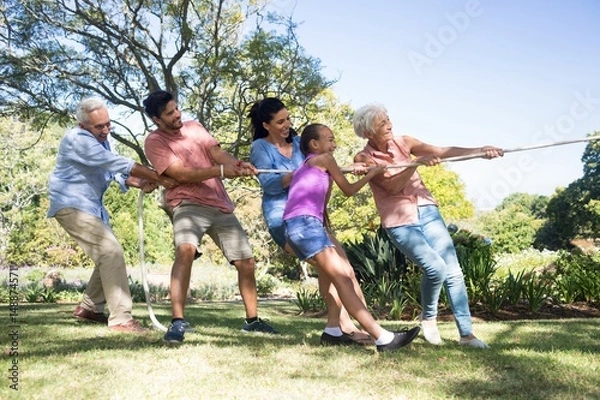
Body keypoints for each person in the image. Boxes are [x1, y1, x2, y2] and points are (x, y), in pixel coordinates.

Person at [352, 103, 504, 348]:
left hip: (427, 209)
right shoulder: (364, 158)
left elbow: (441, 151)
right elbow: (391, 186)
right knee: (435, 268)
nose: (389, 125)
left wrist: (480, 151)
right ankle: (429, 317)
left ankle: (467, 335)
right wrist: (415, 164)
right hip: (399, 220)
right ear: (368, 132)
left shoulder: (405, 142)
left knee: (453, 270)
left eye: (388, 119)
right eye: (382, 123)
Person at [142, 89, 278, 345]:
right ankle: (178, 321)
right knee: (185, 250)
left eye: (176, 108)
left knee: (246, 262)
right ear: (156, 120)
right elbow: (180, 174)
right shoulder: (155, 141)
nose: (177, 114)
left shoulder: (194, 127)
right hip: (187, 203)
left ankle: (252, 321)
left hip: (219, 203)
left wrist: (236, 164)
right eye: (170, 113)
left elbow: (217, 153)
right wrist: (222, 170)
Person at [283, 123, 421, 352]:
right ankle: (382, 337)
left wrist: (354, 169)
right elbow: (349, 190)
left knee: (334, 275)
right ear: (314, 144)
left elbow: (323, 202)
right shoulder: (325, 159)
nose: (333, 144)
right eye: (329, 139)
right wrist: (372, 173)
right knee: (343, 278)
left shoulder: (307, 167)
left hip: (299, 227)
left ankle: (333, 331)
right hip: (306, 226)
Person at [48, 97, 177, 333]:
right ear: (82, 126)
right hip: (71, 204)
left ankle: (89, 308)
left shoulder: (103, 140)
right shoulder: (77, 140)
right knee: (111, 252)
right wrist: (159, 175)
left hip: (89, 205)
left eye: (108, 124)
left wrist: (140, 182)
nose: (106, 130)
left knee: (108, 254)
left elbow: (113, 171)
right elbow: (115, 162)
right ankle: (121, 320)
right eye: (99, 127)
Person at [249, 98, 371, 346]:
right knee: (336, 270)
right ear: (266, 125)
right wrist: (305, 171)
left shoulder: (298, 143)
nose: (287, 125)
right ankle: (347, 328)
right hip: (284, 219)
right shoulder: (260, 148)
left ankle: (338, 329)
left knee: (341, 268)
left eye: (288, 119)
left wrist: (352, 167)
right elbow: (270, 185)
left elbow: (324, 164)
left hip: (312, 216)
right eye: (280, 121)